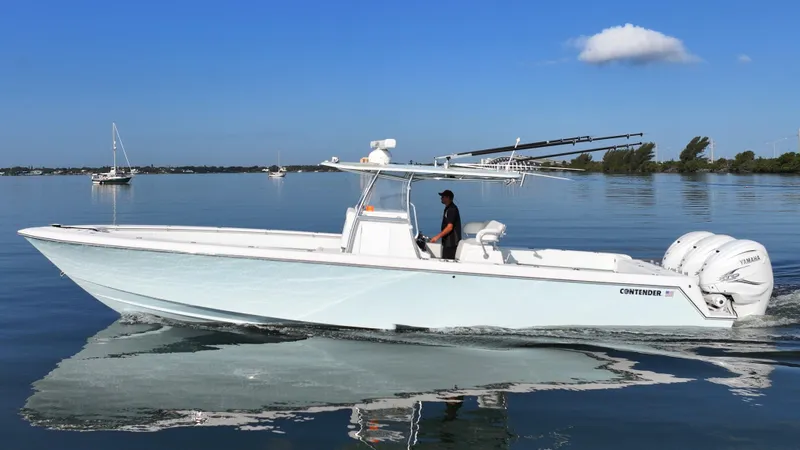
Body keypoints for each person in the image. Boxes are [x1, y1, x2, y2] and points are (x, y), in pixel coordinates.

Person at [430, 189, 462, 260]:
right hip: (448, 241)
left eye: (442, 197)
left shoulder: (452, 209)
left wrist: (437, 237)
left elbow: (449, 227)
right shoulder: (448, 208)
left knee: (448, 261)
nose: (441, 198)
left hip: (451, 242)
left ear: (448, 198)